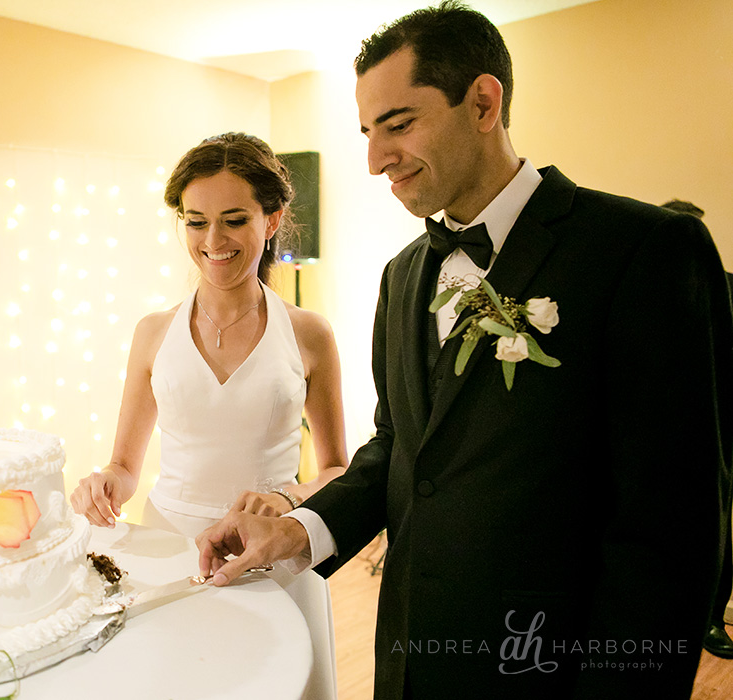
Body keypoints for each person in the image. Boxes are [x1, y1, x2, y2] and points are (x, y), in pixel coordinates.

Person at [197, 3, 733, 699]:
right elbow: (398, 452)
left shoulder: (643, 253)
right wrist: (298, 531)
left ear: (483, 102)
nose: (373, 160)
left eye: (399, 124)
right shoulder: (402, 275)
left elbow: (671, 527)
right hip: (412, 663)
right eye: (366, 132)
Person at [69, 132, 349, 699]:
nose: (213, 240)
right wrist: (104, 484)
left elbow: (339, 469)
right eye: (196, 222)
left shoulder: (309, 333)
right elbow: (124, 465)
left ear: (271, 221)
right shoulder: (152, 333)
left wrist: (291, 499)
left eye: (233, 219)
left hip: (268, 553)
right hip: (169, 553)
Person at [661, 198, 733, 661]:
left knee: (717, 524)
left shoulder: (729, 288)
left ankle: (710, 617)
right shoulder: (637, 288)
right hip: (653, 432)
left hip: (721, 426)